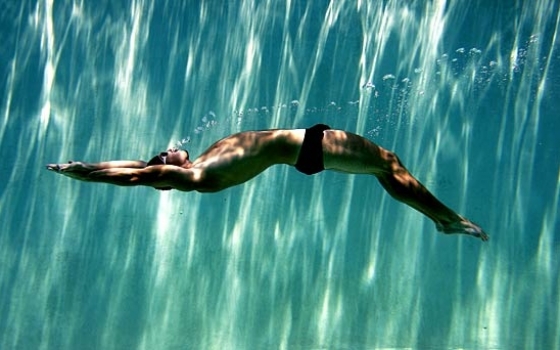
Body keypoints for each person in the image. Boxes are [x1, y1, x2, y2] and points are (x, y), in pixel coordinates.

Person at [46, 124, 489, 241]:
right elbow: (140, 173)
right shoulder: (194, 174)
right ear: (169, 172)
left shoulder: (202, 160)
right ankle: (446, 219)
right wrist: (87, 175)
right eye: (165, 156)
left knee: (384, 167)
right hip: (307, 147)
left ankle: (442, 218)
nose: (166, 148)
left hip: (306, 145)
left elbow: (137, 164)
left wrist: (85, 163)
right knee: (388, 163)